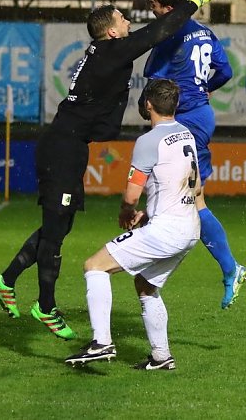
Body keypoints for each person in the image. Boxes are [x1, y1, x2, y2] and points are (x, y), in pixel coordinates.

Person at [0, 0, 212, 340]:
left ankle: (7, 280)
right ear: (111, 32)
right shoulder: (112, 51)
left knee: (59, 225)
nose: (128, 22)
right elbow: (159, 31)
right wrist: (195, 1)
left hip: (69, 145)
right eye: (122, 19)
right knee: (56, 231)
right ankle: (45, 305)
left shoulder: (106, 52)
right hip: (62, 147)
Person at [64, 79, 199, 370]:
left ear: (147, 104)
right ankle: (161, 357)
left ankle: (101, 342)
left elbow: (131, 195)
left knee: (94, 266)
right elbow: (191, 187)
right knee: (146, 285)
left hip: (167, 231)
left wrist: (127, 212)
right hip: (189, 229)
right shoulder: (186, 134)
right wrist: (148, 215)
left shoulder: (149, 141)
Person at [139, 0, 246, 309]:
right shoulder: (204, 31)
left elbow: (154, 79)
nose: (151, 8)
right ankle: (150, 256)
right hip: (199, 115)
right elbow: (225, 71)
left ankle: (230, 268)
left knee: (193, 199)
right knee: (184, 197)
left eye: (153, 3)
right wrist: (205, 88)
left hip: (183, 119)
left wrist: (147, 106)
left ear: (167, 7)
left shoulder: (168, 34)